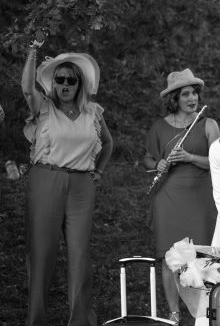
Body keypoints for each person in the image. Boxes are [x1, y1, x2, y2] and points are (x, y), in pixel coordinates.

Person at [21, 44, 113, 326]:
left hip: (82, 185)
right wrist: (32, 52)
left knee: (80, 254)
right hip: (47, 179)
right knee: (42, 252)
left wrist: (98, 170)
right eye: (59, 79)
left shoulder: (93, 112)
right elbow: (26, 89)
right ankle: (36, 320)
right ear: (53, 83)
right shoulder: (44, 108)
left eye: (70, 80)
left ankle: (80, 320)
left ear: (79, 84)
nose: (64, 84)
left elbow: (108, 143)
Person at [144, 68, 220, 324]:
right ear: (174, 98)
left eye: (194, 93)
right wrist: (159, 164)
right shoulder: (158, 127)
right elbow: (147, 157)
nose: (192, 98)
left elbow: (219, 162)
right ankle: (174, 313)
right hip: (168, 197)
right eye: (185, 94)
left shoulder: (208, 124)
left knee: (203, 253)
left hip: (200, 198)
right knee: (169, 257)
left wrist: (189, 157)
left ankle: (204, 310)